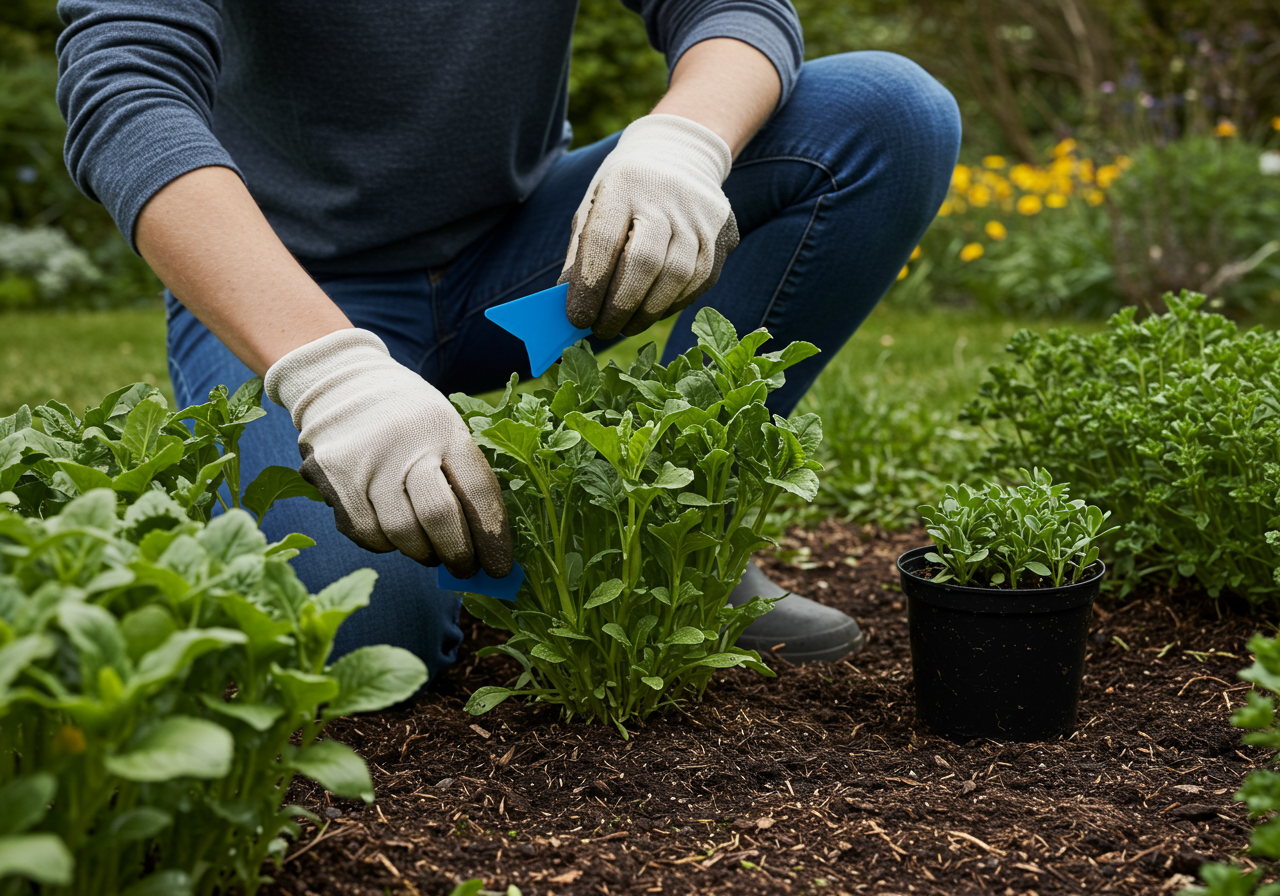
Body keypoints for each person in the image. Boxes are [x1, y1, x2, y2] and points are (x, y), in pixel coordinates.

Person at [56, 1, 960, 682]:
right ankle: (477, 527)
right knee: (360, 637)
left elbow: (732, 7)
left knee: (887, 113)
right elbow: (124, 90)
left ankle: (670, 551)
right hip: (298, 299)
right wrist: (328, 372)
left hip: (534, 280)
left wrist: (685, 143)